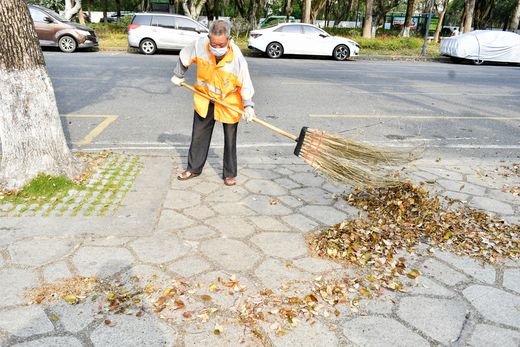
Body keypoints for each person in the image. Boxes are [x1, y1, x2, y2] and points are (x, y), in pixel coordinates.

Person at [171, 20, 255, 186]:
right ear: (209, 36)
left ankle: (229, 174)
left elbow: (245, 81)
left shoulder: (236, 56)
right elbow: (185, 56)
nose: (217, 48)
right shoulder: (200, 44)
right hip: (205, 96)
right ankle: (193, 168)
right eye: (213, 43)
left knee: (230, 138)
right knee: (199, 134)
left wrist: (248, 105)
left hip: (228, 100)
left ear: (229, 39)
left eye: (221, 44)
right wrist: (178, 74)